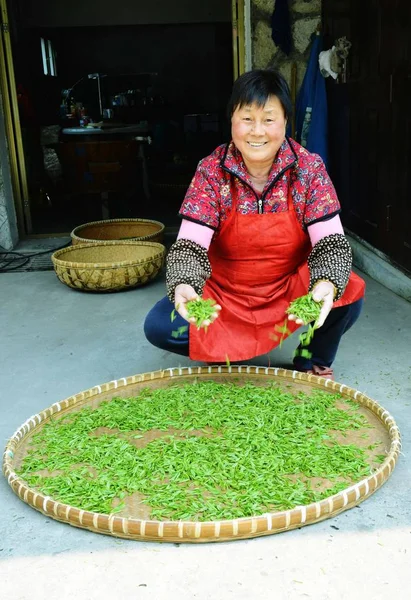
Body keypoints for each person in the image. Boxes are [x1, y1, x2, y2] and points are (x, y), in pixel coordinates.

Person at [144, 69, 365, 379]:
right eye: (247, 118)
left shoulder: (308, 169)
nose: (257, 132)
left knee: (346, 291)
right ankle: (229, 350)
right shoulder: (211, 171)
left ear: (286, 121)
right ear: (232, 121)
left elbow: (331, 245)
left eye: (269, 119)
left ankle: (310, 358)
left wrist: (327, 282)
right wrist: (183, 283)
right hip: (226, 296)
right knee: (159, 327)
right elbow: (190, 246)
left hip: (288, 291)